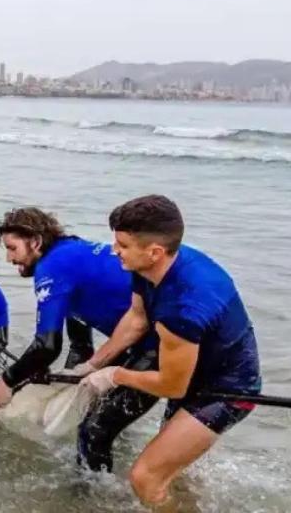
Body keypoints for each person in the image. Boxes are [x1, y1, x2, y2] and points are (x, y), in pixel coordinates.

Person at [79, 195, 261, 507]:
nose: (114, 250)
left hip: (228, 389)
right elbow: (137, 320)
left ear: (155, 252)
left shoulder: (183, 309)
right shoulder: (149, 266)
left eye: (122, 244)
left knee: (145, 477)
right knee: (169, 472)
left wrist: (116, 375)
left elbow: (171, 385)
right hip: (190, 372)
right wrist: (94, 364)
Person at [0, 207, 160, 473]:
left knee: (93, 432)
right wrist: (59, 380)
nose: (9, 258)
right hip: (142, 341)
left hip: (162, 346)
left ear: (35, 242)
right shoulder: (70, 253)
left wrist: (6, 382)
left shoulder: (52, 267)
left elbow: (47, 346)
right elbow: (80, 346)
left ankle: (93, 498)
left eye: (12, 248)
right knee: (103, 416)